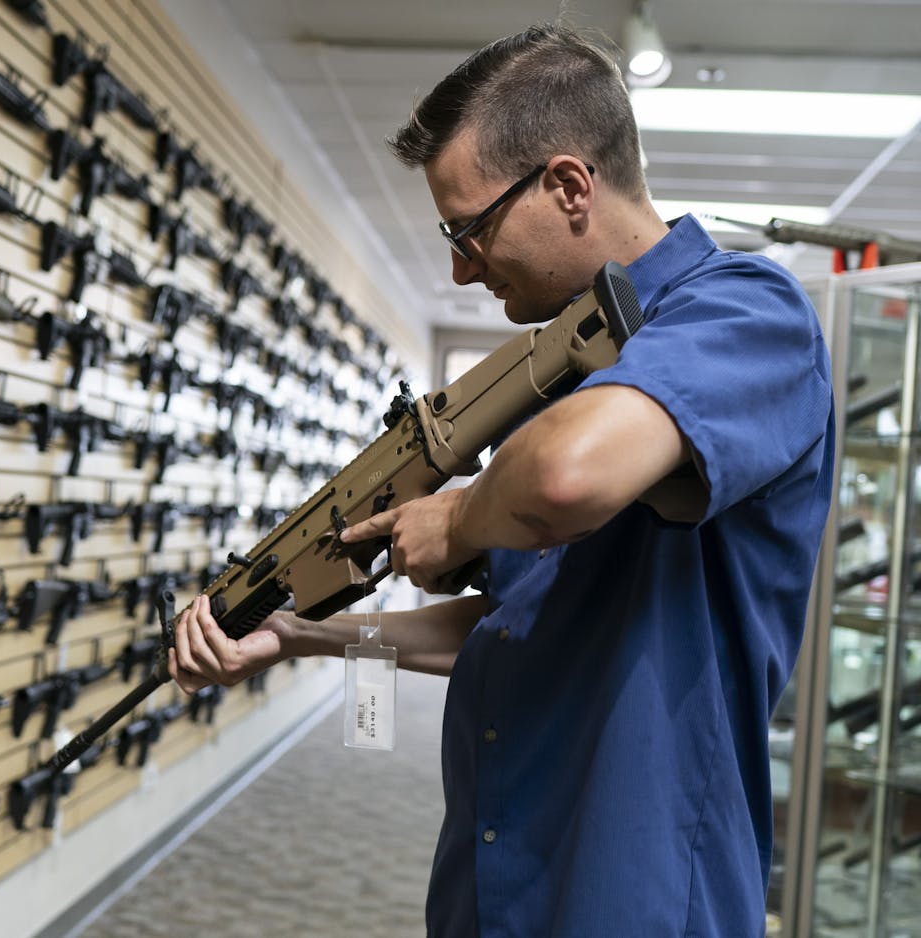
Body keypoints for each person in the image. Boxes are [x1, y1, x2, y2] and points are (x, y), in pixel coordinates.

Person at [167, 20, 835, 938]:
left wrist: (460, 518)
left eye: (470, 230)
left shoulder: (751, 311)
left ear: (567, 186)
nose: (457, 266)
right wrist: (296, 636)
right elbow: (511, 627)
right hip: (497, 882)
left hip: (636, 892)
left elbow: (564, 477)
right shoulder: (565, 370)